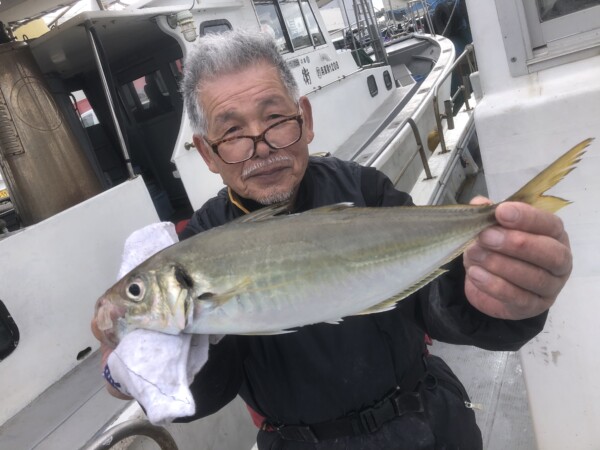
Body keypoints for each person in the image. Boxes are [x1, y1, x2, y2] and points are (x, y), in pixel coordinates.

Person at [92, 30, 572, 449]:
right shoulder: (199, 242)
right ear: (207, 153)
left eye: (275, 118)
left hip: (429, 425)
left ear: (305, 116)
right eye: (233, 132)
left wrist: (501, 301)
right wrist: (139, 373)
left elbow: (436, 298)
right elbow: (205, 390)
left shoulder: (362, 189)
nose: (261, 147)